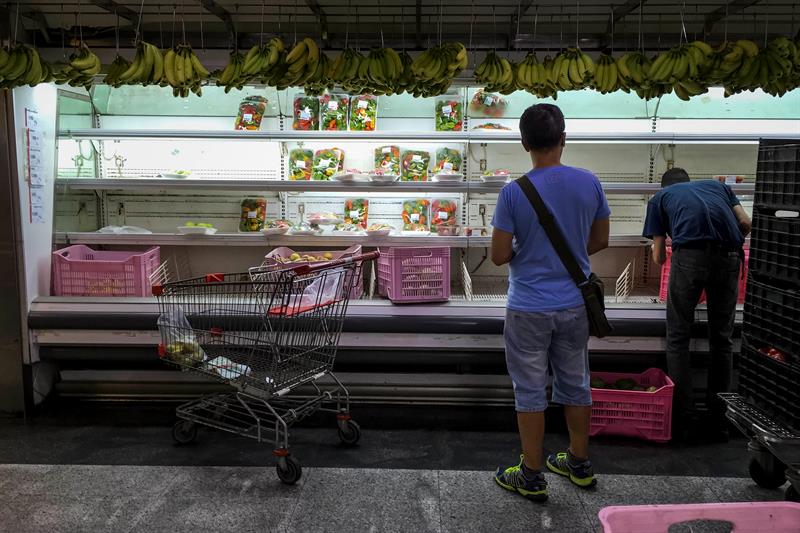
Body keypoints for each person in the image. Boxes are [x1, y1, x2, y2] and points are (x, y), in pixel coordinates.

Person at [491, 103, 611, 502]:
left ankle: (531, 473)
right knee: (576, 381)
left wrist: (528, 249)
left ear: (524, 143)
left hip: (528, 304)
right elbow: (600, 241)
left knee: (529, 390)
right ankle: (578, 462)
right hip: (574, 303)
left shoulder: (513, 192)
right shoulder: (589, 182)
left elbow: (498, 255)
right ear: (563, 139)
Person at [643, 169, 752, 441]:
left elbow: (658, 257)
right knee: (722, 341)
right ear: (688, 181)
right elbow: (746, 223)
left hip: (689, 256)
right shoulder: (718, 188)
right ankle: (719, 422)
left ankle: (684, 420)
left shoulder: (660, 198)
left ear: (664, 185)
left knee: (678, 338)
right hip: (729, 257)